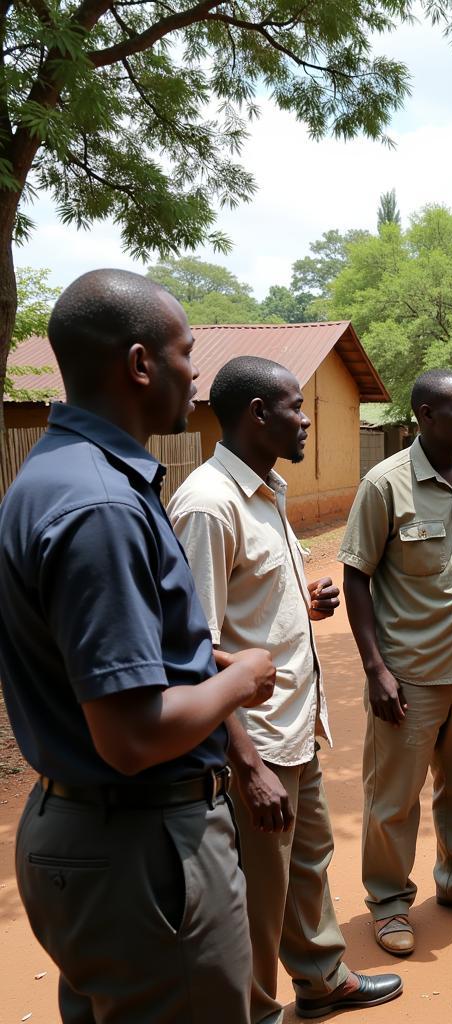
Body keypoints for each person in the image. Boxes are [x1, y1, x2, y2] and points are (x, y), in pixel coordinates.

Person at [0, 269, 278, 1022]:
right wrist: (240, 679)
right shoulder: (101, 505)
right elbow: (130, 736)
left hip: (95, 838)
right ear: (140, 364)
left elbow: (92, 663)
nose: (197, 376)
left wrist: (195, 665)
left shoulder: (54, 475)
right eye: (188, 353)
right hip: (144, 846)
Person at [168, 356, 403, 1021]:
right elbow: (192, 649)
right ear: (256, 415)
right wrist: (246, 763)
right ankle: (255, 1010)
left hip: (293, 728)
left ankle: (322, 978)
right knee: (258, 893)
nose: (307, 420)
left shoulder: (265, 490)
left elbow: (245, 609)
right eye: (297, 407)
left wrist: (303, 600)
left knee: (307, 862)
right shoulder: (210, 506)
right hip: (256, 744)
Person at [339, 368, 452, 957]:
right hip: (408, 674)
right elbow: (357, 574)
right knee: (394, 797)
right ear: (425, 416)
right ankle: (389, 903)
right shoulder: (385, 484)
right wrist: (375, 670)